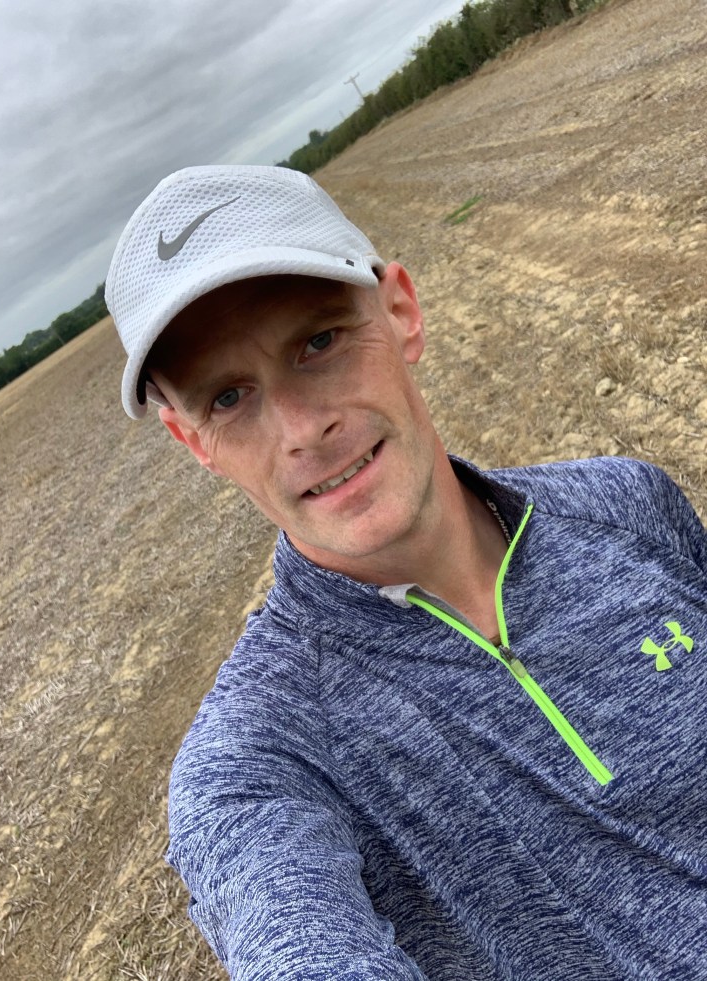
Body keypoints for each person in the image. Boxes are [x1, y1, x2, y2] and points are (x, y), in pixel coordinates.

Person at [105, 165, 707, 981]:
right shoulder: (259, 758)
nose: (301, 429)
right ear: (194, 442)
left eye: (318, 343)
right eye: (229, 398)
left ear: (401, 312)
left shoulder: (626, 504)